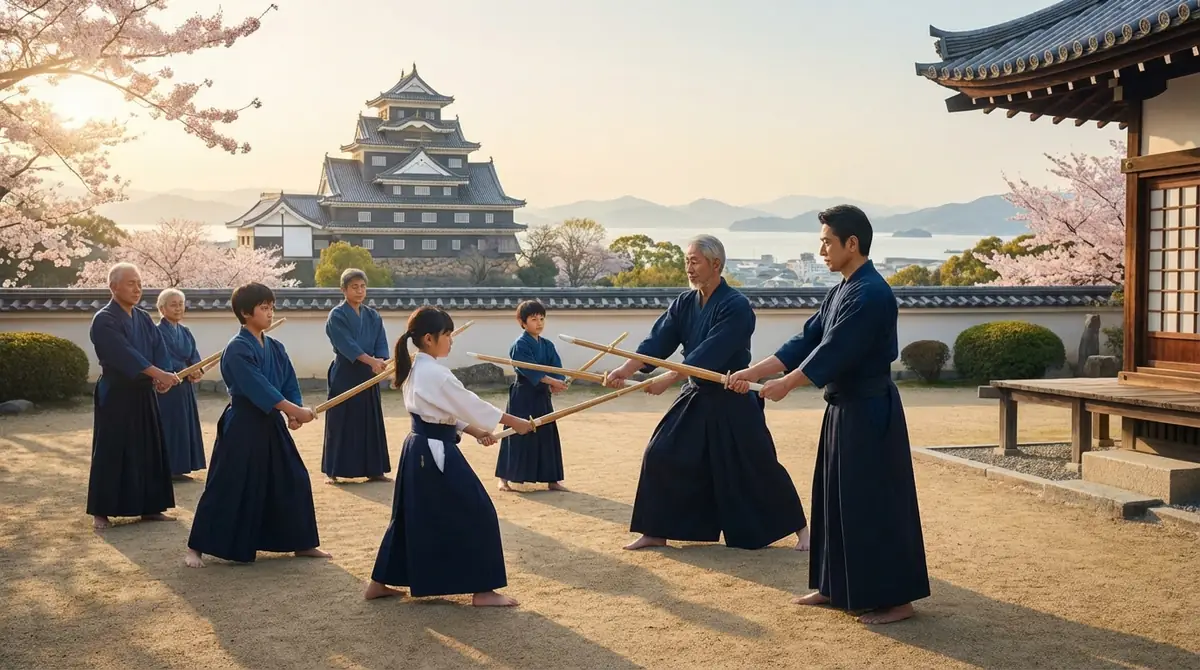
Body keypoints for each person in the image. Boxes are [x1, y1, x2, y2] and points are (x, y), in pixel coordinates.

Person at [728, 205, 930, 625]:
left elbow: (833, 351)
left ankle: (897, 599)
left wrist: (787, 384)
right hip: (843, 409)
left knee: (874, 503)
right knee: (835, 498)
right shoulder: (842, 289)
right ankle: (834, 584)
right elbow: (806, 340)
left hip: (871, 411)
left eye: (826, 241)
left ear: (851, 243)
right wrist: (754, 372)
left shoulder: (872, 293)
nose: (820, 249)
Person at [603, 235, 808, 552]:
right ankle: (655, 531)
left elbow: (708, 353)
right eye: (686, 260)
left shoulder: (736, 307)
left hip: (732, 394)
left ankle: (802, 531)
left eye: (694, 261)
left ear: (716, 264)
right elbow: (656, 343)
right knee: (661, 453)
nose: (689, 267)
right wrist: (625, 371)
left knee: (757, 463)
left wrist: (669, 377)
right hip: (696, 393)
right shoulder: (685, 303)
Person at [365, 305, 535, 607]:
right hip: (433, 452)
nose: (451, 340)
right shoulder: (435, 373)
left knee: (409, 515)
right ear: (429, 338)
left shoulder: (415, 366)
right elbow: (468, 403)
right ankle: (484, 590)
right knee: (478, 510)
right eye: (447, 335)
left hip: (420, 448)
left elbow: (441, 413)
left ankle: (378, 582)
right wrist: (515, 421)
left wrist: (474, 431)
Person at [184, 282, 330, 568]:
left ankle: (302, 543)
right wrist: (294, 410)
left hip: (270, 422)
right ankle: (196, 547)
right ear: (244, 312)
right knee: (228, 483)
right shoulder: (237, 349)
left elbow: (287, 381)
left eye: (271, 307)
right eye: (264, 308)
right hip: (243, 422)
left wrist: (291, 413)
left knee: (293, 478)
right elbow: (259, 387)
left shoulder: (275, 346)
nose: (270, 313)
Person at [86, 262, 179, 530]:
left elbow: (157, 349)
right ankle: (102, 510)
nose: (137, 288)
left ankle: (151, 507)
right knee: (112, 449)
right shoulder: (104, 319)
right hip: (116, 392)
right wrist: (157, 374)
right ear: (113, 287)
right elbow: (124, 354)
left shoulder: (144, 318)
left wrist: (163, 376)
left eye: (139, 283)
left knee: (148, 447)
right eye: (130, 283)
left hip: (143, 392)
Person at [321, 268, 391, 485]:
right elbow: (346, 345)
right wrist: (372, 361)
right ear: (343, 290)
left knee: (370, 420)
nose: (360, 291)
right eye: (354, 287)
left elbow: (380, 342)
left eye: (362, 286)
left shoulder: (372, 315)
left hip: (369, 374)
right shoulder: (337, 315)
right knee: (342, 420)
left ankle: (374, 469)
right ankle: (335, 469)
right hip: (346, 372)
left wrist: (383, 362)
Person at [495, 299, 568, 492]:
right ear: (523, 322)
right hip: (524, 394)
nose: (539, 323)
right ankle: (504, 478)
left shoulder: (547, 345)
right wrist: (552, 381)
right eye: (534, 319)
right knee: (517, 433)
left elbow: (555, 367)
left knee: (546, 434)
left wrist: (558, 382)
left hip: (541, 395)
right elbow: (529, 370)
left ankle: (552, 480)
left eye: (542, 318)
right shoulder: (519, 345)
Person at [154, 288, 207, 480]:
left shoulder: (185, 332)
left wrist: (197, 369)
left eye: (181, 304)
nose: (178, 308)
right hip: (167, 387)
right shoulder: (156, 332)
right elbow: (161, 358)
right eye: (173, 305)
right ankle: (166, 468)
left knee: (185, 424)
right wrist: (183, 369)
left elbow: (194, 356)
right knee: (170, 425)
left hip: (185, 388)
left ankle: (181, 467)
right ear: (162, 308)